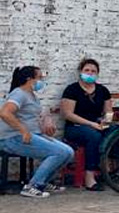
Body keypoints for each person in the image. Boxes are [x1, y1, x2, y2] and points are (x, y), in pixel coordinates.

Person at [0, 66, 74, 199]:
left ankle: (43, 182)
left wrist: (46, 122)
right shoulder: (19, 93)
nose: (42, 81)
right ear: (29, 79)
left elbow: (33, 116)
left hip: (32, 134)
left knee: (68, 152)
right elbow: (5, 113)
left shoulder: (32, 96)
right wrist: (23, 130)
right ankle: (33, 186)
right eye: (39, 78)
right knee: (59, 152)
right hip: (13, 138)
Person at [60, 58, 111, 191]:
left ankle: (109, 168)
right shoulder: (72, 90)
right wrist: (91, 124)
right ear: (80, 72)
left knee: (117, 132)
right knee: (93, 136)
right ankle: (89, 176)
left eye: (93, 71)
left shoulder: (102, 90)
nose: (90, 73)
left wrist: (104, 121)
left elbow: (108, 112)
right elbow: (68, 114)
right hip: (75, 127)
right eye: (87, 70)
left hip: (97, 125)